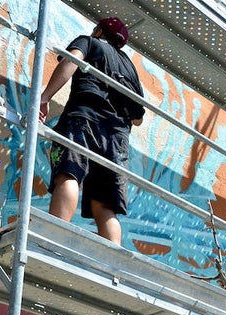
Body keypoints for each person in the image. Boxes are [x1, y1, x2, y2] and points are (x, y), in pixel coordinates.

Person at [39, 17, 145, 244]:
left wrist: (45, 97)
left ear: (99, 31)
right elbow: (137, 119)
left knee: (69, 174)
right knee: (104, 205)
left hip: (83, 119)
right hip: (117, 137)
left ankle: (51, 239)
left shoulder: (90, 42)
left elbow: (70, 61)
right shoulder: (129, 67)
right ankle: (110, 266)